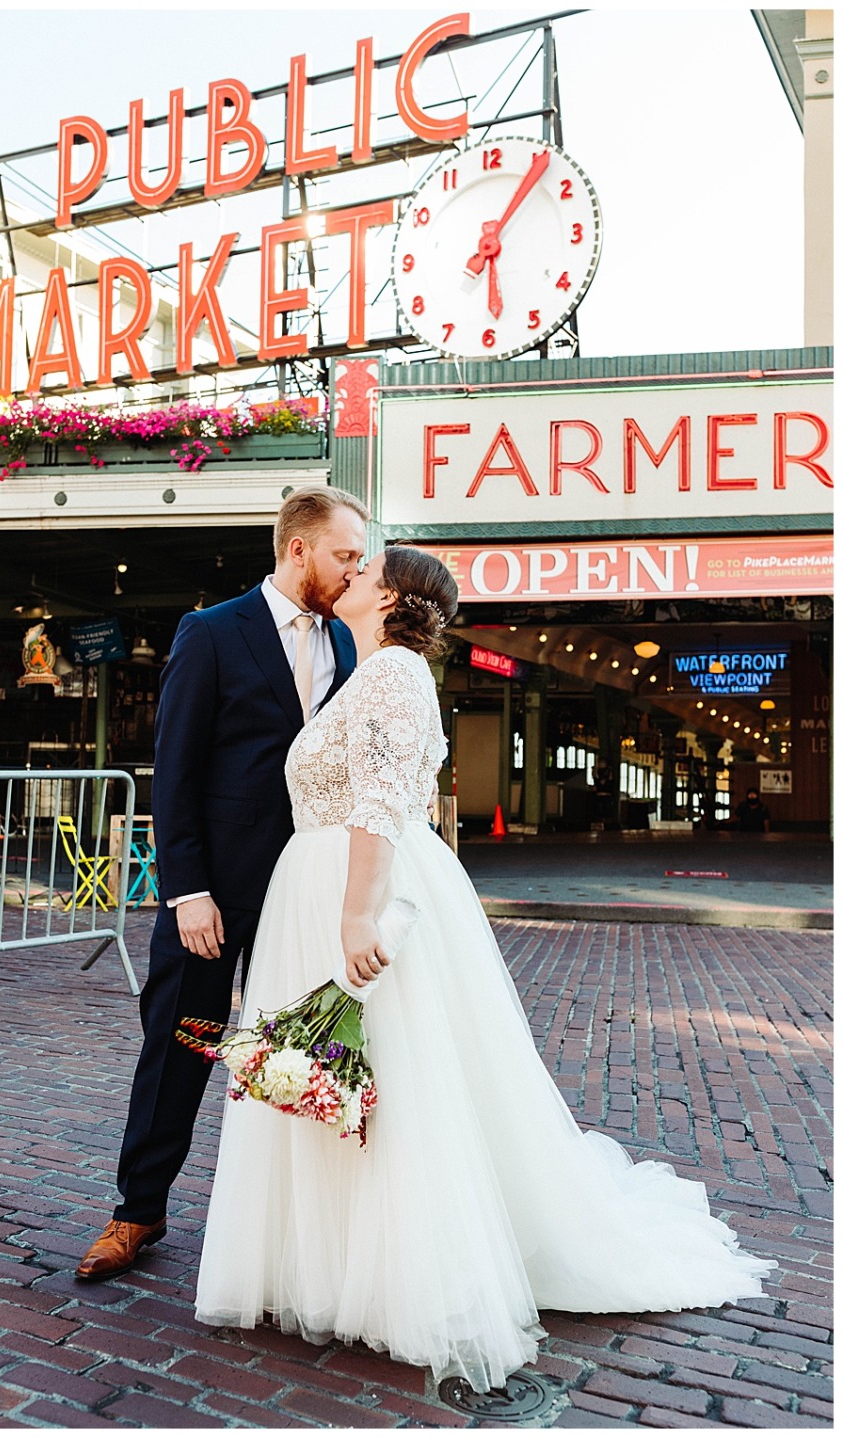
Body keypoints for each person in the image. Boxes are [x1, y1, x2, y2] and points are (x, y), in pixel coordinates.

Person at [193, 546, 773, 1391]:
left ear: (390, 595)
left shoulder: (391, 675)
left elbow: (383, 804)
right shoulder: (367, 674)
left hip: (355, 887)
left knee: (383, 1073)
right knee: (337, 1070)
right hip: (315, 887)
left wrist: (358, 915)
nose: (348, 570)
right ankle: (325, 1261)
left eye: (364, 566)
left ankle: (395, 1273)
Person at [76, 485, 365, 1281]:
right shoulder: (209, 632)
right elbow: (174, 771)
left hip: (305, 890)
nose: (354, 570)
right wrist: (186, 889)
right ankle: (137, 1213)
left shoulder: (348, 642)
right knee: (177, 1048)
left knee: (306, 1054)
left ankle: (297, 1229)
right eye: (344, 554)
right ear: (297, 548)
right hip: (215, 893)